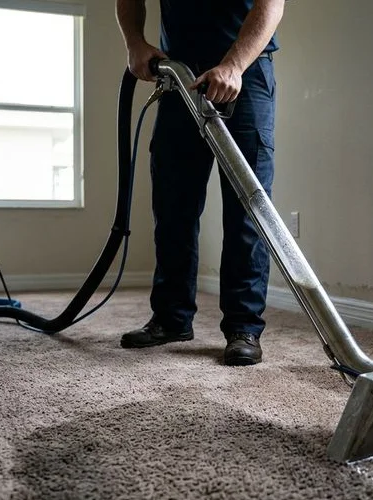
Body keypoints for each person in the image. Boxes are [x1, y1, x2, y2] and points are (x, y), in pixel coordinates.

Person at [115, 0, 285, 365]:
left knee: (248, 207)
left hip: (246, 74)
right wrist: (135, 43)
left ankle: (244, 327)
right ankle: (171, 317)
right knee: (173, 202)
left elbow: (271, 5)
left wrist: (234, 65)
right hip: (179, 74)